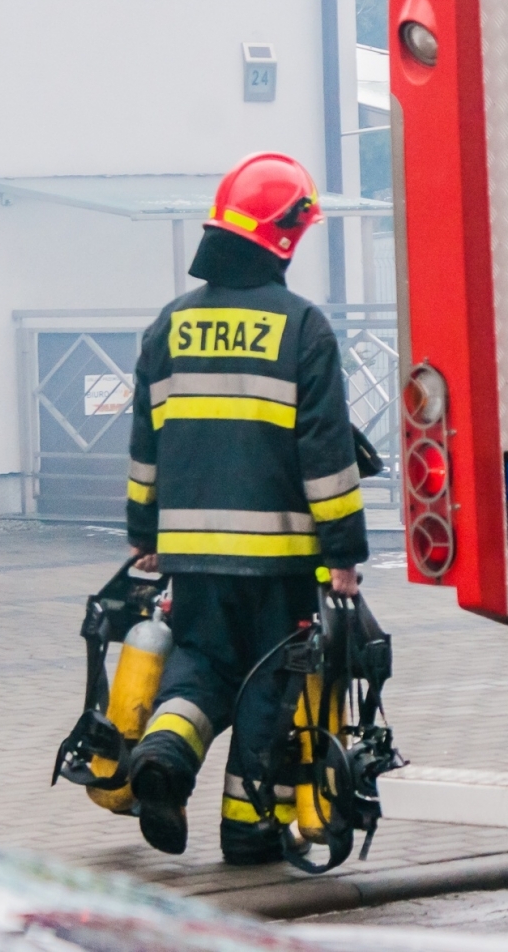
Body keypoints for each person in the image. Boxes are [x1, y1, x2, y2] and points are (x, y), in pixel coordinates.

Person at [123, 152, 369, 863]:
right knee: (270, 685)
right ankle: (246, 826)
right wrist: (344, 553)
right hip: (280, 558)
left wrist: (146, 535)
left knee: (199, 667)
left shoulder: (167, 327)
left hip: (192, 557)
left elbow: (146, 450)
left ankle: (164, 757)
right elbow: (326, 456)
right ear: (285, 234)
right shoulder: (302, 329)